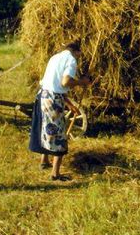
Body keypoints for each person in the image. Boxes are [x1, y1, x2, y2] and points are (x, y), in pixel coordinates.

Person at [29, 40, 92, 181]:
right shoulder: (71, 59)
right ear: (77, 52)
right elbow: (64, 82)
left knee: (46, 129)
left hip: (43, 96)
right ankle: (55, 174)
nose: (78, 58)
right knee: (59, 134)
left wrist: (69, 104)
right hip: (53, 100)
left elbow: (53, 83)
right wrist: (82, 82)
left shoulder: (55, 57)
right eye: (79, 55)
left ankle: (44, 161)